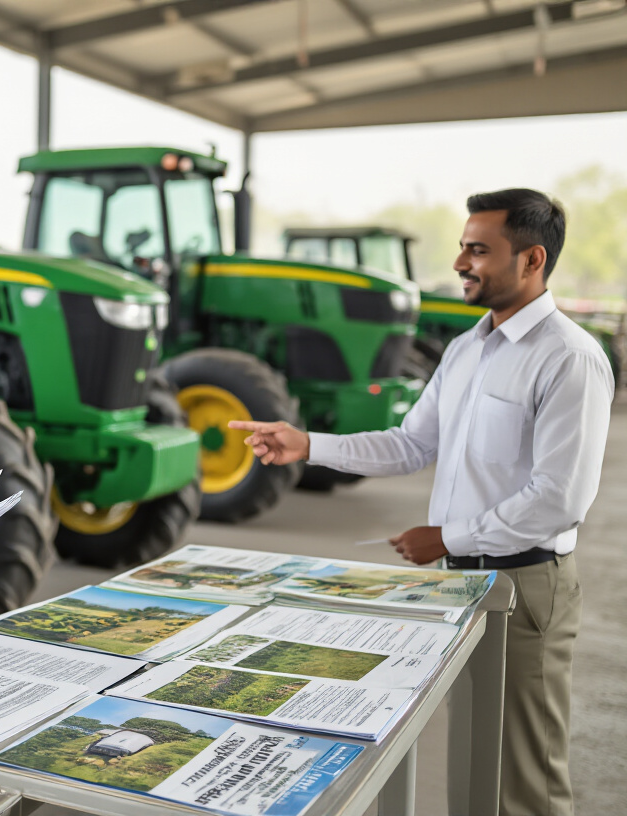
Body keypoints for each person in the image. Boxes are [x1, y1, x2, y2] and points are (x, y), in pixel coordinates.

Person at [230, 188, 612, 816]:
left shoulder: (568, 359)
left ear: (531, 259)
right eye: (462, 247)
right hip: (458, 582)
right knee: (473, 755)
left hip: (525, 584)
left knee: (525, 774)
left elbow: (560, 499)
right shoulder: (466, 350)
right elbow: (410, 445)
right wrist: (307, 445)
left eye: (479, 250)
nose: (461, 262)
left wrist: (447, 536)